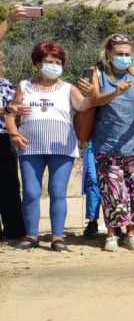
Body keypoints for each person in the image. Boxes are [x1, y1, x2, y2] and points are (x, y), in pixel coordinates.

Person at [6, 41, 95, 253]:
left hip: (62, 148)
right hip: (30, 147)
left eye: (58, 62)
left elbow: (83, 105)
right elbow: (12, 113)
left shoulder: (68, 88)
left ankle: (57, 237)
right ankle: (31, 236)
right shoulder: (24, 85)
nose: (54, 65)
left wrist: (91, 93)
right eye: (49, 61)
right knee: (31, 192)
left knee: (57, 192)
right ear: (37, 63)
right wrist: (14, 134)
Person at [87, 33, 134, 252]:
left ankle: (131, 233)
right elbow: (94, 100)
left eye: (127, 54)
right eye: (119, 54)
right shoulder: (98, 74)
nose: (124, 58)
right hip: (107, 143)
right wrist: (115, 93)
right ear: (108, 53)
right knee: (112, 191)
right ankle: (112, 234)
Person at [0, 4, 27, 242]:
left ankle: (14, 228)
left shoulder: (6, 83)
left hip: (3, 137)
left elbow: (11, 110)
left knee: (9, 184)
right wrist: (8, 21)